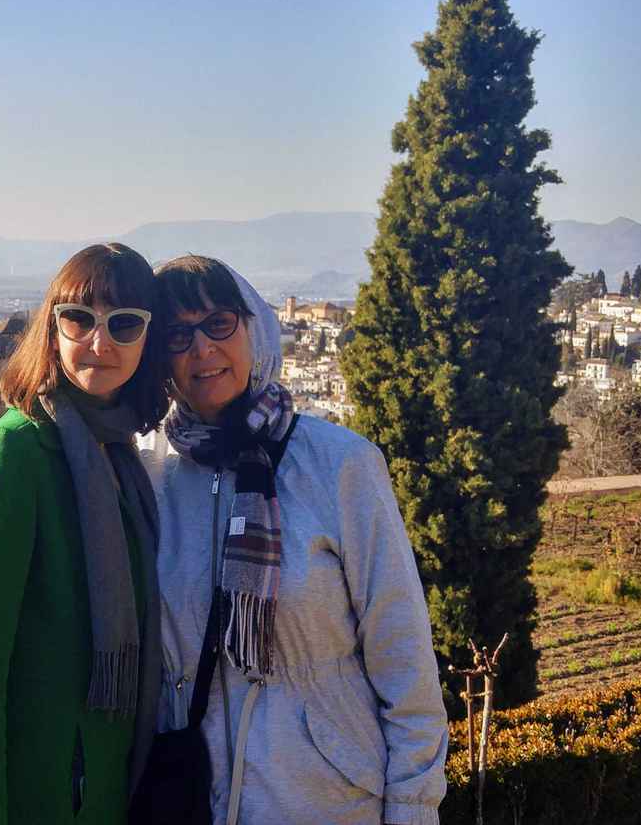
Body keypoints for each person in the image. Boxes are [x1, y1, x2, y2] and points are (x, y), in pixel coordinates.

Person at [137, 256, 447, 825]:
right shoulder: (152, 475)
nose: (202, 348)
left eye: (218, 323)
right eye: (178, 334)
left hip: (328, 800)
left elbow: (402, 654)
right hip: (192, 800)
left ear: (253, 328)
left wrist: (413, 805)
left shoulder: (340, 464)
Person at [0, 243, 170, 825]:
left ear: (148, 339)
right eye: (79, 318)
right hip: (17, 800)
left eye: (124, 324)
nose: (99, 342)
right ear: (52, 328)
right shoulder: (12, 455)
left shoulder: (121, 462)